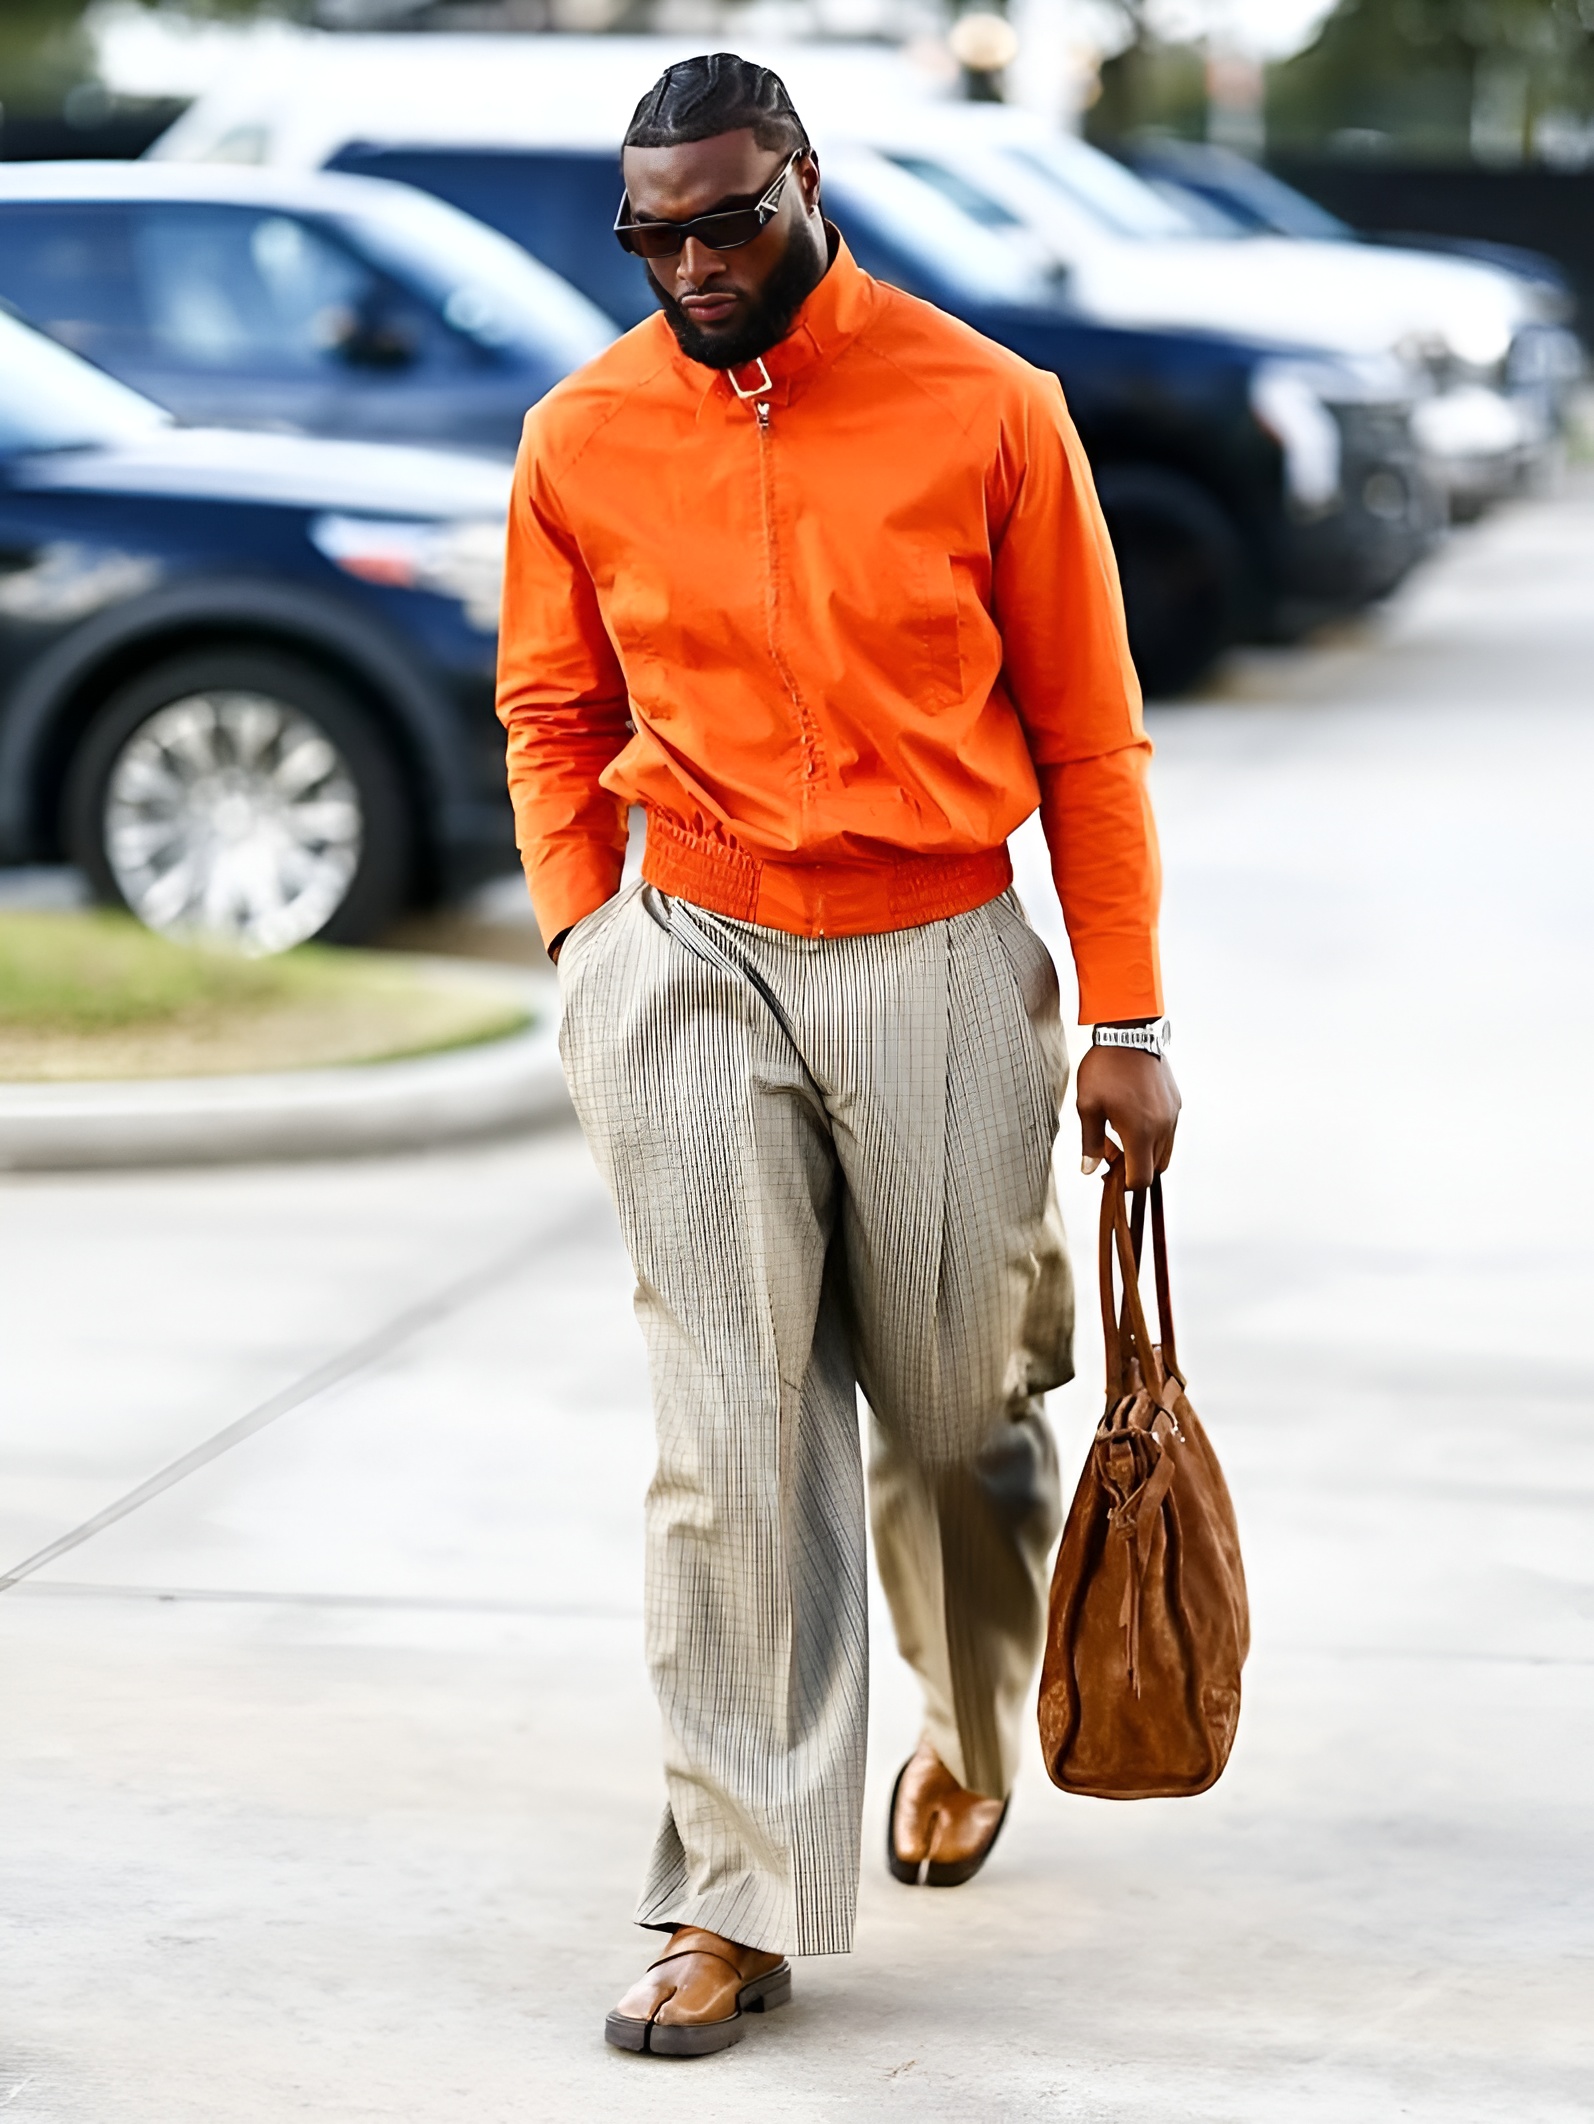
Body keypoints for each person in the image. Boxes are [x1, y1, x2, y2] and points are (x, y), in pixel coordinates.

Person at [496, 53, 1180, 2057]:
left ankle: (970, 1717)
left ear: (805, 186)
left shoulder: (988, 409)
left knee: (959, 1407)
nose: (690, 266)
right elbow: (549, 708)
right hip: (688, 951)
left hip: (938, 948)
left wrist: (1124, 1016)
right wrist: (581, 934)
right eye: (652, 237)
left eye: (725, 223)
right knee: (732, 1433)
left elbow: (1088, 737)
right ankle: (735, 1892)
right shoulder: (581, 433)